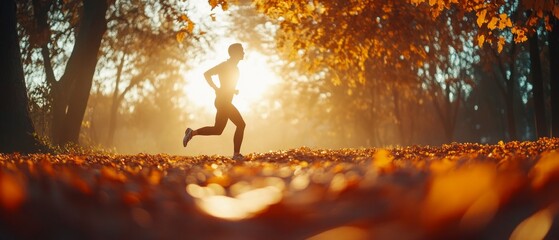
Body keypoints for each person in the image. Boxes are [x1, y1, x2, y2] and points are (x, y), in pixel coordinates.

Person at [183, 43, 246, 160]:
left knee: (218, 130)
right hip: (223, 102)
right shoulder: (225, 65)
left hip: (224, 101)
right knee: (241, 124)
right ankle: (236, 154)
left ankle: (191, 133)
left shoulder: (235, 68)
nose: (243, 52)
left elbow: (227, 84)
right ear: (235, 53)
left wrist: (233, 91)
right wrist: (215, 88)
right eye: (241, 50)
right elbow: (207, 74)